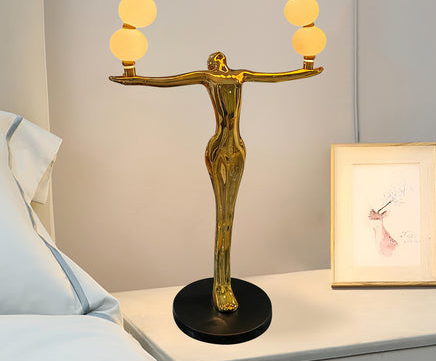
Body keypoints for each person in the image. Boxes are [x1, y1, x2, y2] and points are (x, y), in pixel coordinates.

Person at [110, 51, 323, 312]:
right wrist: (135, 79)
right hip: (220, 148)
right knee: (223, 216)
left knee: (228, 215)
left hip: (238, 147)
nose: (216, 60)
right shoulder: (207, 77)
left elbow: (275, 77)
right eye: (213, 59)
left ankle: (224, 282)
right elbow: (168, 81)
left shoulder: (240, 74)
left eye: (218, 58)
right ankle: (221, 286)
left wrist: (306, 71)